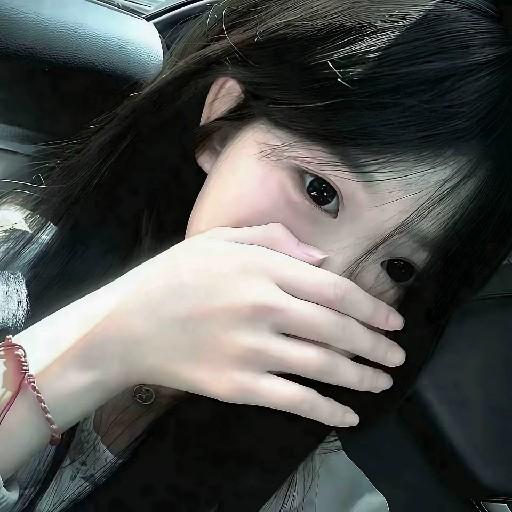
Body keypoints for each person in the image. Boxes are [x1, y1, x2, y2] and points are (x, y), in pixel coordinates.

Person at [1, 0, 512, 510]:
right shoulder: (13, 254)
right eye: (319, 191)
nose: (328, 278)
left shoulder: (318, 481)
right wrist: (96, 351)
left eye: (398, 267)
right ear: (223, 128)